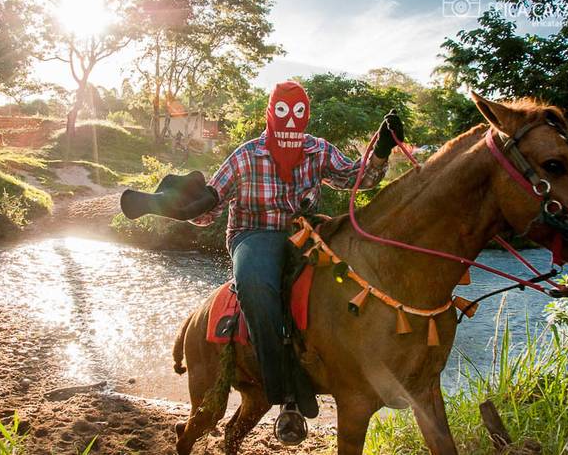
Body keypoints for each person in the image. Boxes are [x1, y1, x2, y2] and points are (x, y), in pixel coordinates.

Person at [119, 80, 402, 444]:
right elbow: (210, 207)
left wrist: (381, 148)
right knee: (256, 285)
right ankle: (286, 398)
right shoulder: (246, 155)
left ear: (306, 114)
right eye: (282, 111)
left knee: (352, 274)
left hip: (305, 232)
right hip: (253, 234)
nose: (289, 121)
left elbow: (357, 179)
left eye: (298, 112)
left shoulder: (318, 150)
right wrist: (183, 206)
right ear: (271, 112)